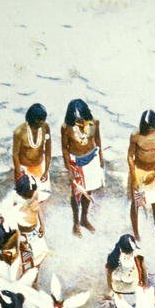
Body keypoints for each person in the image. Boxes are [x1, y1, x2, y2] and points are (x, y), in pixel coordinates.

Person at [61, 99, 104, 237]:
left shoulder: (94, 122)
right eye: (76, 119)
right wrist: (69, 169)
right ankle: (75, 222)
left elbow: (97, 141)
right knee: (76, 193)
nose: (79, 121)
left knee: (88, 191)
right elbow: (64, 148)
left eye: (81, 118)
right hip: (76, 163)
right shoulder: (66, 128)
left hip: (92, 159)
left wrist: (101, 158)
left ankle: (84, 218)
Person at [127, 110, 155, 243]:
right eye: (147, 127)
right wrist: (133, 177)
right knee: (136, 204)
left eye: (151, 127)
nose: (149, 130)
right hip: (139, 172)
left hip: (154, 173)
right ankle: (136, 234)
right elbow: (130, 156)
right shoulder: (136, 135)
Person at [13, 103, 51, 201]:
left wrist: (46, 171)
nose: (42, 122)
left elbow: (48, 151)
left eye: (43, 119)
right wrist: (19, 175)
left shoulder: (45, 127)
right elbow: (15, 154)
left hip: (39, 167)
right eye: (39, 120)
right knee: (24, 199)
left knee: (40, 197)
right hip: (24, 170)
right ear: (31, 118)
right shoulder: (19, 132)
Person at [14, 174, 47, 270]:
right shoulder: (16, 201)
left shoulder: (35, 194)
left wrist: (42, 225)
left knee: (39, 257)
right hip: (24, 236)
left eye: (32, 192)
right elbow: (13, 220)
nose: (30, 194)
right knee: (27, 264)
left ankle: (35, 277)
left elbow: (38, 208)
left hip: (35, 232)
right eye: (28, 193)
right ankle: (30, 279)